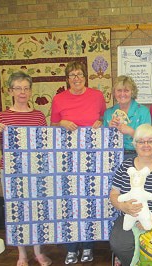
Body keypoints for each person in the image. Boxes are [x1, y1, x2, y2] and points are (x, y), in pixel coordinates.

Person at [0, 71, 52, 266]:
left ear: (30, 91)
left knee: (36, 209)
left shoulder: (38, 116)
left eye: (26, 88)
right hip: (11, 172)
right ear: (11, 91)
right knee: (16, 210)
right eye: (18, 88)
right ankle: (22, 255)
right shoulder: (2, 117)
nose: (22, 92)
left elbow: (45, 145)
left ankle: (38, 252)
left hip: (34, 171)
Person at [50, 61, 106, 264]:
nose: (76, 78)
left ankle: (89, 246)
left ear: (85, 77)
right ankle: (71, 248)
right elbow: (52, 126)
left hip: (91, 158)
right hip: (67, 159)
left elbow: (103, 118)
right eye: (72, 75)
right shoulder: (58, 99)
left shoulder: (97, 96)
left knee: (90, 200)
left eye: (79, 74)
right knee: (69, 201)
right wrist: (61, 123)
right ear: (67, 79)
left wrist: (101, 122)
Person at [109, 124, 152, 266]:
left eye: (150, 141)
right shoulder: (125, 166)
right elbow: (114, 193)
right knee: (120, 245)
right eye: (141, 141)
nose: (146, 145)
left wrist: (151, 219)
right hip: (129, 216)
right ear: (135, 145)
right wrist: (122, 206)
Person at [103, 75, 151, 160]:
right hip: (113, 156)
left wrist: (131, 132)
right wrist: (109, 130)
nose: (122, 94)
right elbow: (103, 142)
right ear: (114, 92)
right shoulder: (108, 113)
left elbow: (149, 140)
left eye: (126, 91)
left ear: (132, 92)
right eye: (119, 90)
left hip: (138, 155)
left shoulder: (143, 112)